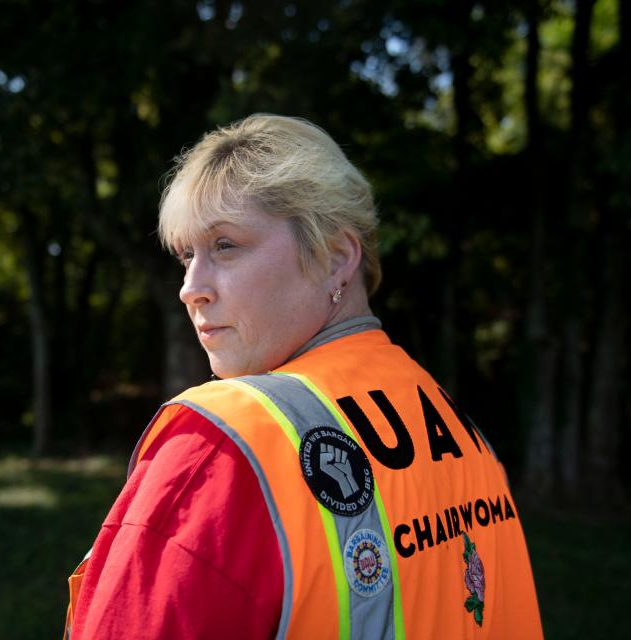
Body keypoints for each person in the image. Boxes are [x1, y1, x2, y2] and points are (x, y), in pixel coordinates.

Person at [63, 114, 543, 639]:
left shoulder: (224, 447)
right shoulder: (464, 433)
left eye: (225, 245)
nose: (190, 288)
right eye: (186, 255)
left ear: (336, 258)